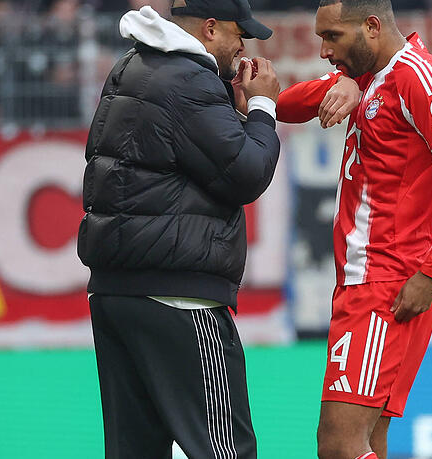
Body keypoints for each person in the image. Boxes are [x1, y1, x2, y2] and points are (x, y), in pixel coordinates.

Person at [274, 1, 432, 458]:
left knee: (337, 446)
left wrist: (431, 275)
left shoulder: (417, 77)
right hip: (371, 284)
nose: (323, 51)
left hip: (386, 286)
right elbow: (285, 106)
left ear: (371, 27)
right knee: (368, 441)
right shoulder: (369, 76)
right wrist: (346, 82)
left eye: (332, 37)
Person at [76, 0, 280, 457]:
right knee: (224, 449)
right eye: (237, 33)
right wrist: (264, 107)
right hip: (177, 297)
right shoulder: (189, 79)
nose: (242, 46)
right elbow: (246, 174)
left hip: (116, 294)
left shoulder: (133, 65)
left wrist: (235, 113)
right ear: (209, 28)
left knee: (136, 451)